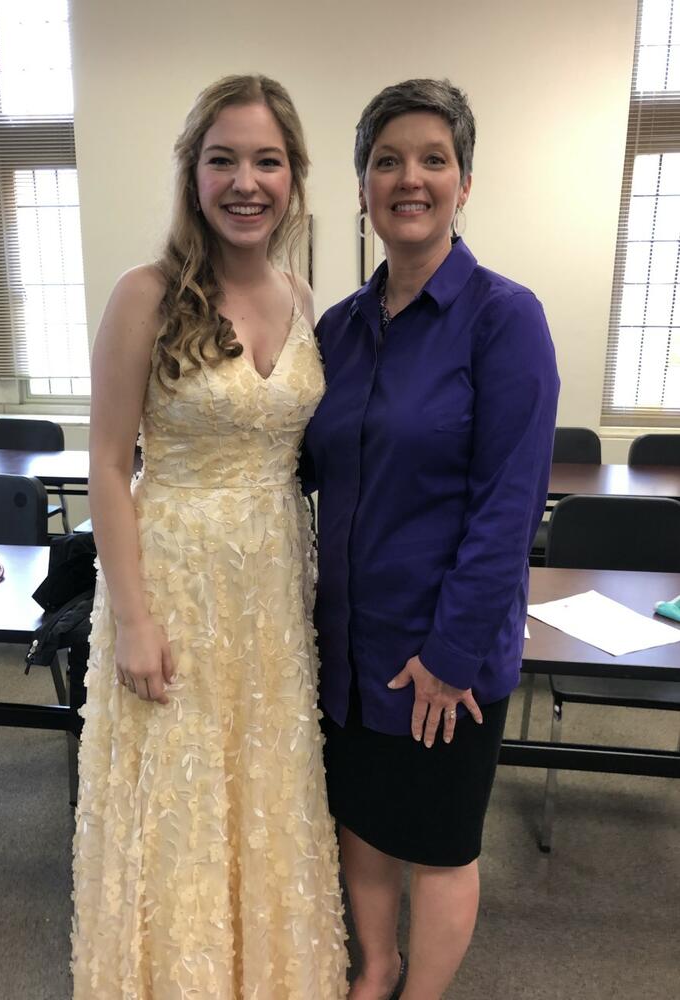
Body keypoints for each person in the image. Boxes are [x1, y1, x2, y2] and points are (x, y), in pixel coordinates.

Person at [71, 74, 348, 1000]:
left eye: (266, 160)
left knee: (261, 801)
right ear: (193, 174)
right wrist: (135, 622)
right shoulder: (145, 295)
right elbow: (109, 466)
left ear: (294, 176)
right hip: (174, 584)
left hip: (271, 592)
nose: (245, 181)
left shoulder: (304, 296)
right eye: (222, 158)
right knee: (182, 810)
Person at [302, 79, 559, 1000]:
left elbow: (509, 505)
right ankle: (377, 969)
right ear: (363, 183)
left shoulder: (503, 318)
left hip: (443, 649)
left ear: (465, 180)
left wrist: (451, 657)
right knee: (363, 821)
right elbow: (295, 466)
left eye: (433, 159)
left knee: (441, 843)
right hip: (348, 641)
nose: (410, 178)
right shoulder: (337, 328)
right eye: (386, 160)